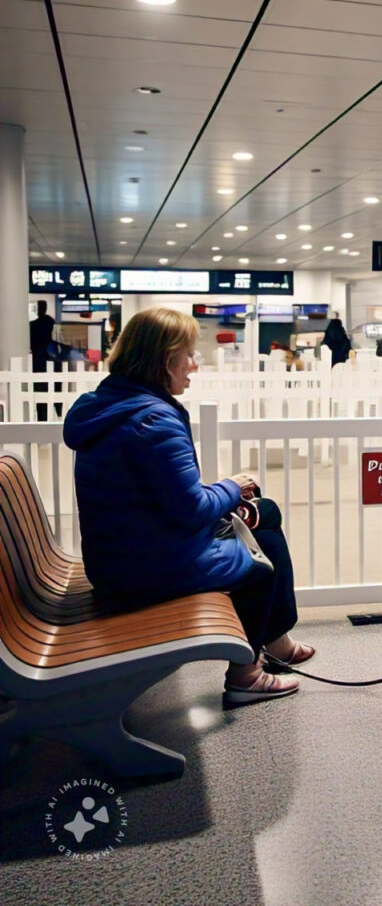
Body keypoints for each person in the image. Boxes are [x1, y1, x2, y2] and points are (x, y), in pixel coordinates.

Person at [62, 307, 313, 709]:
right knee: (260, 568)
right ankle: (246, 676)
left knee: (263, 514)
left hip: (126, 553)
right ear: (166, 361)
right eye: (189, 355)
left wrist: (230, 496)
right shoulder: (152, 420)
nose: (194, 366)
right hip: (146, 567)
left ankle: (276, 641)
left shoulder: (110, 405)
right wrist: (232, 487)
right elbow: (191, 510)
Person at [29, 299, 57, 421]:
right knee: (50, 390)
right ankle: (54, 413)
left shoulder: (33, 325)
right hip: (49, 359)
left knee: (40, 390)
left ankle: (42, 417)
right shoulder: (49, 322)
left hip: (37, 361)